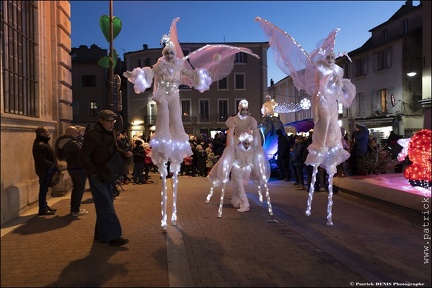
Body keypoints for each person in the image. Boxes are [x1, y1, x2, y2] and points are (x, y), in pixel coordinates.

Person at [79, 110, 132, 246]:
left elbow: (114, 149)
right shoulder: (92, 135)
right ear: (101, 121)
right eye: (108, 121)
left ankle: (100, 234)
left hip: (108, 173)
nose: (111, 124)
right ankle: (114, 236)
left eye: (112, 121)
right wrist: (93, 173)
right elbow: (84, 156)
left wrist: (124, 154)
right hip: (98, 175)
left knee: (105, 205)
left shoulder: (111, 134)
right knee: (107, 207)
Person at [208, 99, 270, 212]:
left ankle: (235, 200)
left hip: (248, 146)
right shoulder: (234, 120)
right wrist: (230, 146)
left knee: (243, 180)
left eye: (246, 109)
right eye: (243, 109)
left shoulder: (251, 120)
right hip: (236, 144)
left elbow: (255, 133)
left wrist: (257, 147)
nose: (245, 111)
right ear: (239, 109)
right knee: (237, 178)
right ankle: (243, 204)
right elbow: (231, 133)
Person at [55, 126, 88, 216]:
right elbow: (84, 151)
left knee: (76, 188)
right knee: (79, 189)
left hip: (73, 168)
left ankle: (74, 208)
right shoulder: (71, 143)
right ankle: (75, 210)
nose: (77, 135)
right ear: (70, 134)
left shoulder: (64, 142)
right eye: (76, 133)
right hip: (78, 168)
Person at [32, 126, 58, 216]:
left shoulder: (43, 142)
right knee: (43, 190)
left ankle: (44, 206)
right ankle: (42, 208)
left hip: (46, 170)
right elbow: (41, 159)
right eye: (47, 131)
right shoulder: (40, 144)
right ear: (42, 133)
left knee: (45, 189)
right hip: (44, 171)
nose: (48, 133)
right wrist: (52, 165)